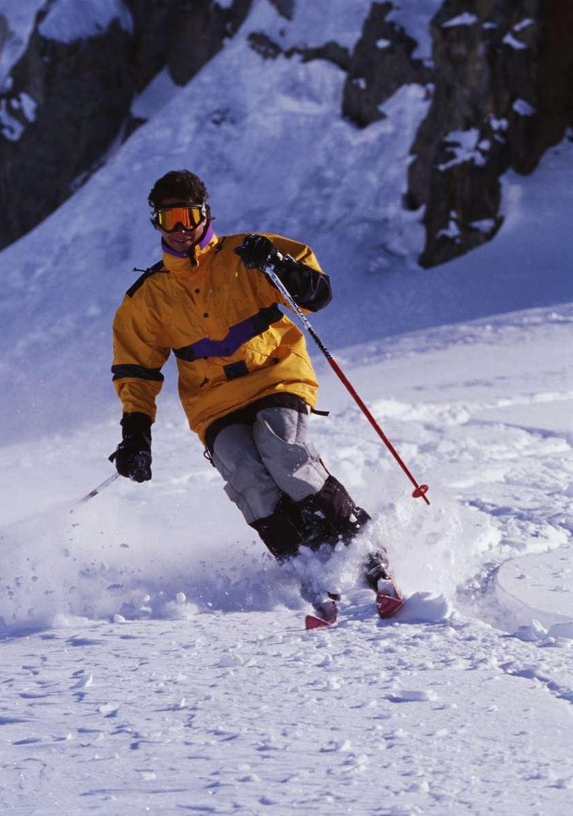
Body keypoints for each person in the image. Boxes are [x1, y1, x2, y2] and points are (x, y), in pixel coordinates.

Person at [110, 169, 391, 622]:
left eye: (188, 216)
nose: (181, 230)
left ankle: (364, 550)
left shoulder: (248, 254)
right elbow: (136, 371)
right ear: (157, 224)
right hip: (213, 402)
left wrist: (278, 265)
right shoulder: (147, 298)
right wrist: (135, 436)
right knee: (247, 475)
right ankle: (308, 567)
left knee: (282, 450)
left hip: (275, 376)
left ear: (206, 214)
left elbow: (317, 295)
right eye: (169, 219)